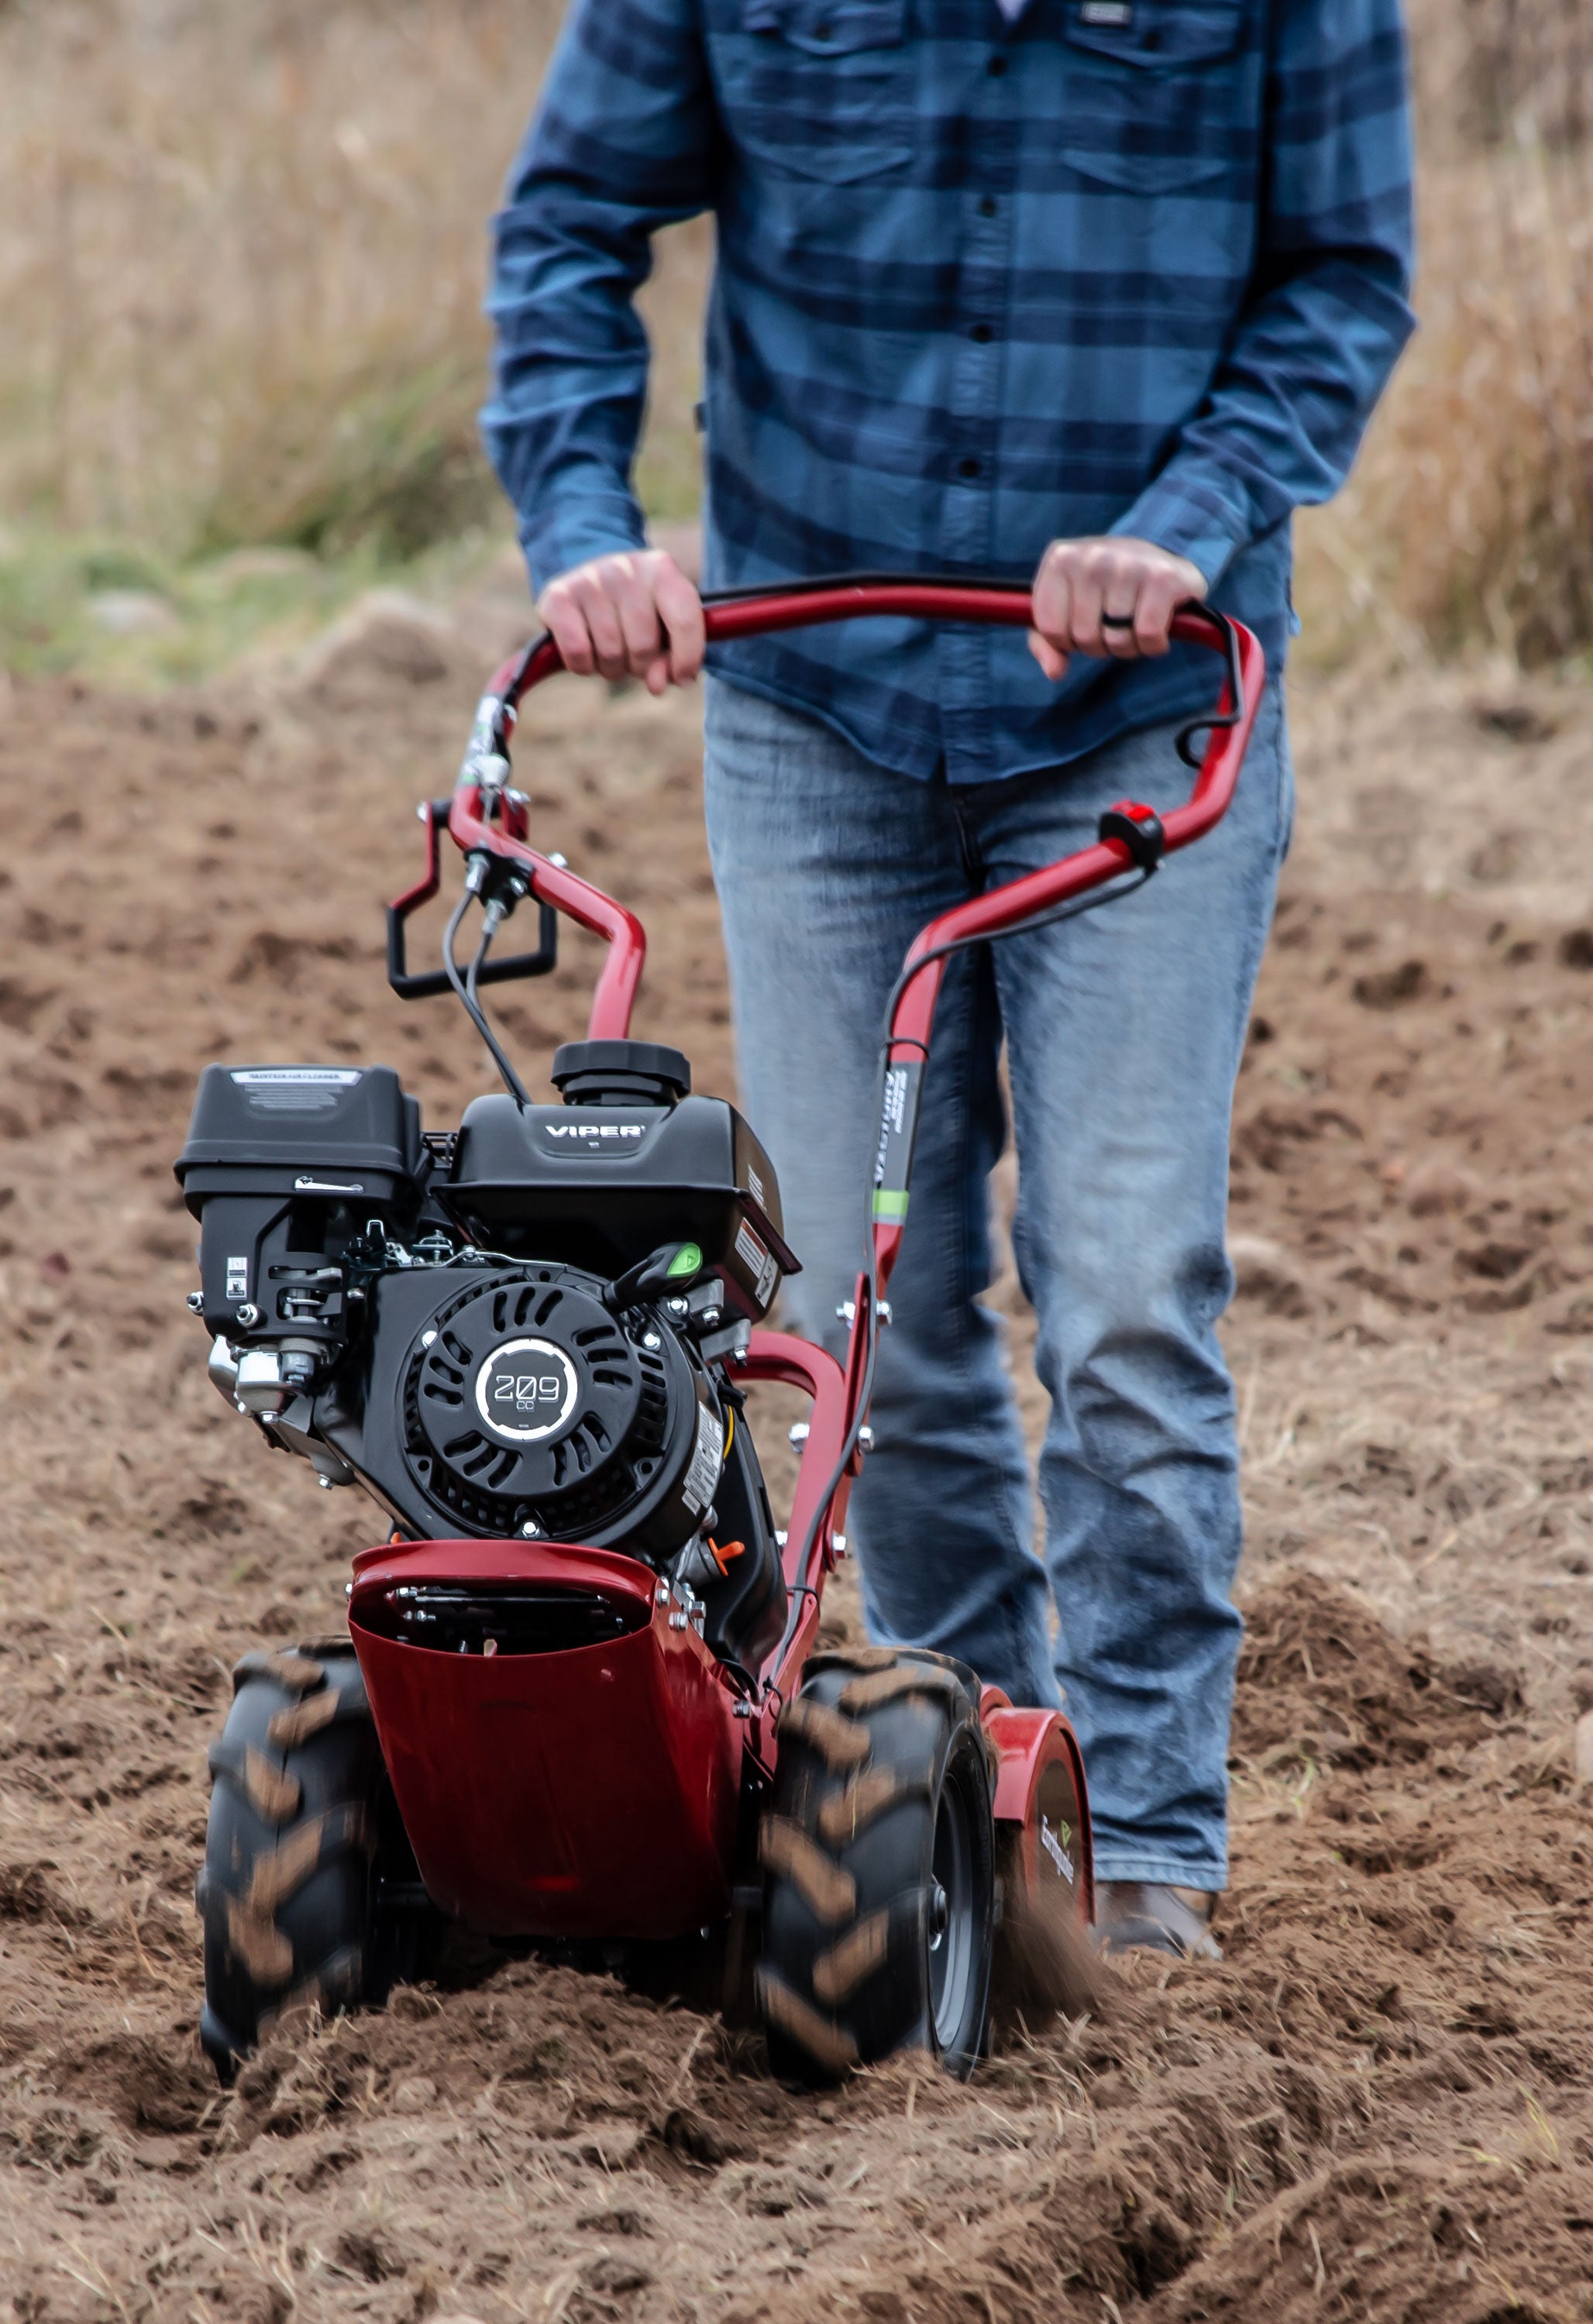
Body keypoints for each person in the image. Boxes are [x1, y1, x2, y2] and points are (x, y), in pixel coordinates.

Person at [483, 0, 1412, 1957]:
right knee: (850, 1316)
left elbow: (1342, 278)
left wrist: (1187, 520)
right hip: (816, 699)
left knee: (1132, 1291)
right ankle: (984, 1802)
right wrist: (589, 530)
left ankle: (1147, 1858)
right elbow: (572, 223)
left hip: (1147, 708)